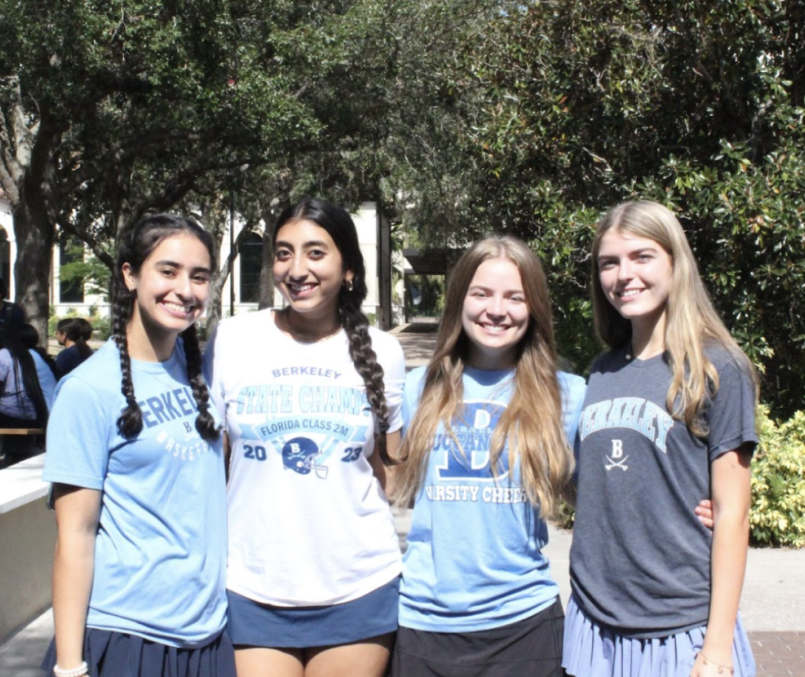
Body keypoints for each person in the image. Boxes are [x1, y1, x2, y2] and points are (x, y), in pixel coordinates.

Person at [205, 198, 406, 677]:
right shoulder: (233, 338)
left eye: (315, 253)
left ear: (350, 270)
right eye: (283, 253)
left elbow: (392, 471)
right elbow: (215, 462)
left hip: (358, 587)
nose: (296, 269)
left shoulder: (384, 351)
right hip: (253, 587)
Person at [564, 201, 759, 677]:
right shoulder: (602, 371)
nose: (623, 275)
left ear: (676, 261)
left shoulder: (718, 368)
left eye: (641, 257)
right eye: (609, 263)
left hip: (679, 625)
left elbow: (733, 515)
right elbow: (594, 488)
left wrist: (715, 651)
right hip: (594, 622)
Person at [43, 214, 233, 677]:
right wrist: (70, 667)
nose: (185, 289)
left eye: (199, 276)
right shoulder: (87, 389)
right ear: (130, 275)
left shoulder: (203, 373)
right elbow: (75, 538)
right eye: (167, 271)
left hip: (209, 633)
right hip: (127, 637)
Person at [389, 236, 584, 677]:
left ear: (533, 307)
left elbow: (600, 498)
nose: (496, 310)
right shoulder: (418, 388)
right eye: (481, 293)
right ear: (459, 300)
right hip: (424, 623)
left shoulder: (567, 394)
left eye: (515, 297)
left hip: (525, 625)